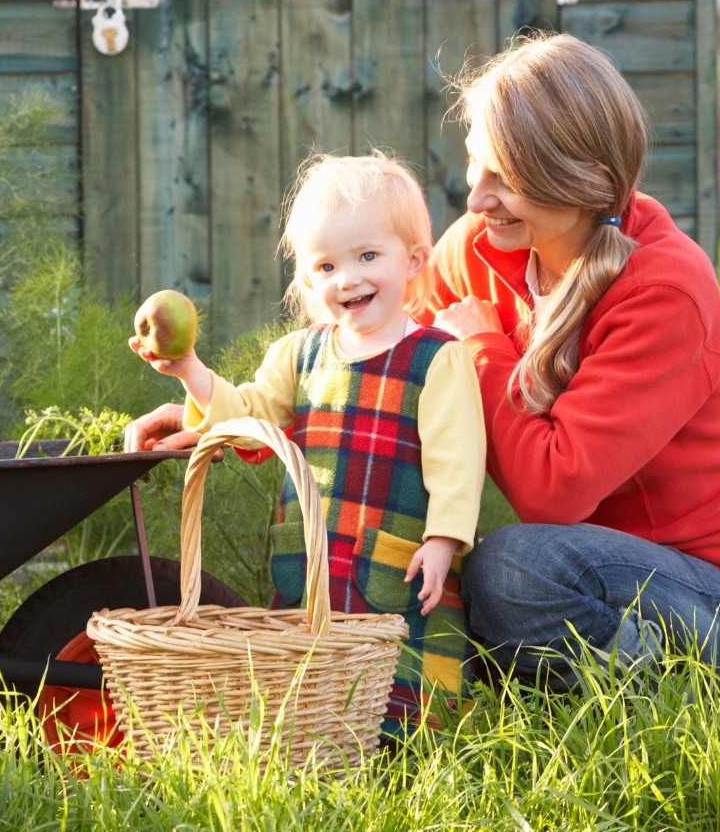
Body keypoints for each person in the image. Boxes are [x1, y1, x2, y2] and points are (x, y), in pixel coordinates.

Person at [413, 31, 720, 685]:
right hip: (598, 575)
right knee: (455, 579)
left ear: (587, 180)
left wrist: (480, 346)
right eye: (476, 166)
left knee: (513, 570)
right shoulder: (478, 247)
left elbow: (553, 490)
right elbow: (381, 354)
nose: (475, 199)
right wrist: (237, 410)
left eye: (504, 178)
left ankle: (701, 701)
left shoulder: (665, 287)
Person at [128, 152, 485, 736]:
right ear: (308, 280)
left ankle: (412, 754)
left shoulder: (437, 358)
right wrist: (189, 368)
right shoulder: (299, 354)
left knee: (404, 696)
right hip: (314, 566)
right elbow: (246, 422)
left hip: (397, 564)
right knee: (313, 698)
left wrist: (444, 541)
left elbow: (458, 461)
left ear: (415, 260)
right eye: (325, 266)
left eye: (368, 256)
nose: (347, 279)